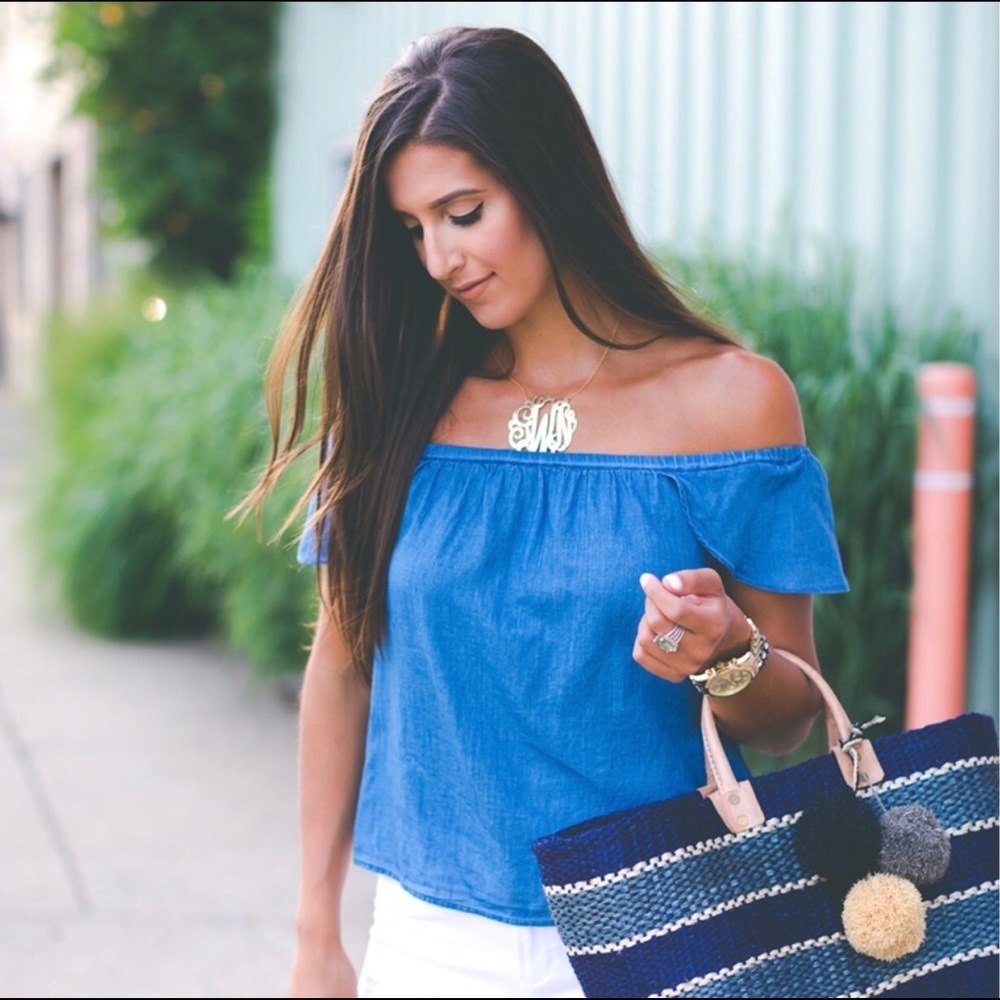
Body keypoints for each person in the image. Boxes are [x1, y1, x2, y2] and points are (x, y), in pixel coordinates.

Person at [242, 24, 848, 999]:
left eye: (463, 212)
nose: (437, 255)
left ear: (546, 180)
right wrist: (317, 931)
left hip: (670, 927)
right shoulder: (402, 407)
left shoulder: (730, 402)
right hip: (428, 942)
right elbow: (341, 668)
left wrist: (723, 649)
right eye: (411, 228)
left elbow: (786, 719)